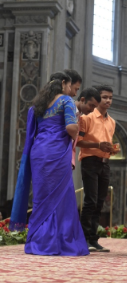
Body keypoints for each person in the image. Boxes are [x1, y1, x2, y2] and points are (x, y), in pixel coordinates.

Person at [9, 71, 89, 256]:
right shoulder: (66, 101)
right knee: (61, 196)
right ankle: (59, 241)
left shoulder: (38, 104)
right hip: (56, 153)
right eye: (70, 86)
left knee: (42, 196)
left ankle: (39, 240)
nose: (71, 91)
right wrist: (78, 130)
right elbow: (70, 127)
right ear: (63, 83)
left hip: (38, 153)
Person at [77, 85, 119, 252]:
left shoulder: (112, 121)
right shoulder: (87, 117)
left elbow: (106, 143)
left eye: (110, 97)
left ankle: (93, 239)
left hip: (104, 163)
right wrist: (98, 144)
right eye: (104, 97)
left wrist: (112, 149)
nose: (108, 100)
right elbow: (78, 142)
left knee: (100, 202)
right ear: (97, 98)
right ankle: (84, 238)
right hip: (90, 161)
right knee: (90, 201)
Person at [72, 87, 101, 170]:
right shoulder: (69, 109)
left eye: (94, 107)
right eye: (91, 105)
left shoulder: (80, 116)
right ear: (82, 99)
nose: (92, 110)